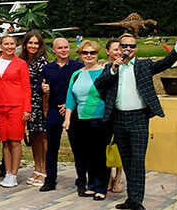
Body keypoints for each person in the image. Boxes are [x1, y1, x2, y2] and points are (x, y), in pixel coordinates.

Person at [94, 28, 177, 210]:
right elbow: (99, 85)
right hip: (119, 118)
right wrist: (114, 68)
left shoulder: (143, 65)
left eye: (132, 45)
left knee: (138, 159)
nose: (128, 48)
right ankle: (131, 197)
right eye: (124, 46)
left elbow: (166, 63)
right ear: (118, 48)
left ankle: (137, 200)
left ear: (136, 48)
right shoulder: (111, 67)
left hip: (138, 118)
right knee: (127, 160)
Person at [62, 40, 108, 200]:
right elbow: (70, 98)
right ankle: (91, 184)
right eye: (85, 53)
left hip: (99, 118)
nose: (89, 56)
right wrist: (67, 119)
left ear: (97, 54)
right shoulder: (76, 74)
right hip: (80, 119)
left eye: (92, 53)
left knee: (99, 154)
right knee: (85, 154)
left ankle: (101, 187)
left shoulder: (103, 72)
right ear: (80, 55)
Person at [39, 37, 83, 192]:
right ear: (54, 50)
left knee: (77, 147)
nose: (63, 50)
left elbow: (84, 89)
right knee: (51, 148)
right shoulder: (48, 68)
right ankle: (50, 180)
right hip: (53, 111)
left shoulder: (78, 67)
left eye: (66, 47)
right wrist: (43, 89)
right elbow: (40, 87)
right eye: (60, 48)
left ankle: (81, 180)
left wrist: (70, 105)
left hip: (73, 111)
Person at [0, 34, 31, 188]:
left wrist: (27, 109)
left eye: (12, 44)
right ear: (0, 46)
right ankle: (7, 172)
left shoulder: (21, 64)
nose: (9, 47)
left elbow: (26, 88)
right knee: (4, 141)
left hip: (16, 106)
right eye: (6, 44)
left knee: (15, 140)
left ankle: (14, 173)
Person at [20, 31, 48, 187]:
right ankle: (37, 168)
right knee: (34, 137)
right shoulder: (24, 61)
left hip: (39, 103)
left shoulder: (41, 62)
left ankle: (45, 170)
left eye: (36, 43)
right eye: (30, 43)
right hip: (27, 104)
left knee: (43, 137)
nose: (33, 46)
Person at [103, 39, 125, 194]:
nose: (118, 52)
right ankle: (108, 176)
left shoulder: (126, 67)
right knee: (107, 145)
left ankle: (118, 177)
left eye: (120, 49)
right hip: (107, 110)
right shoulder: (104, 67)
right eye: (115, 49)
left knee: (120, 144)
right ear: (107, 51)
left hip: (122, 110)